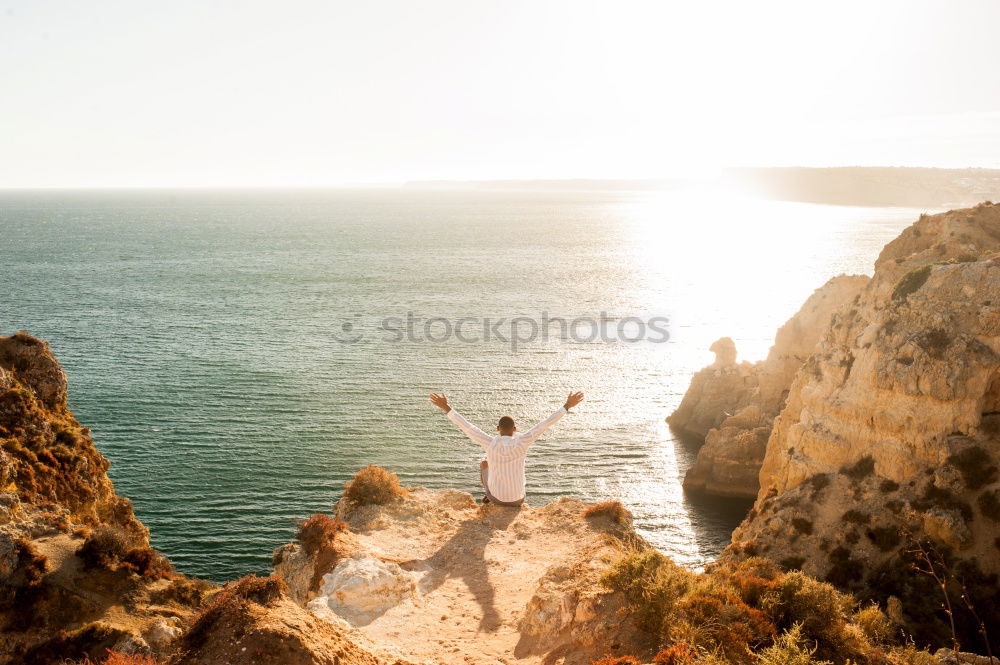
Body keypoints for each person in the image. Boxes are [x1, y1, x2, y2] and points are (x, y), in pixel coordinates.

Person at [429, 391, 584, 506]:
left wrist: (446, 407)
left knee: (484, 464)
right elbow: (545, 424)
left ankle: (488, 495)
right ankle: (498, 493)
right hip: (518, 500)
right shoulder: (523, 442)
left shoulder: (490, 443)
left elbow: (467, 427)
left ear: (497, 428)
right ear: (515, 429)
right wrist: (567, 406)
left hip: (497, 499)